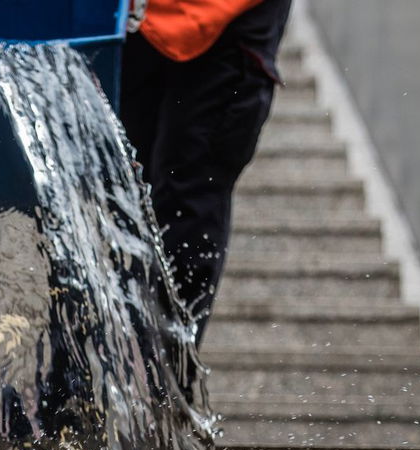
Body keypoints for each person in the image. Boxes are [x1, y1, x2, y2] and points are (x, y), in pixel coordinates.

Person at [120, 0, 294, 341]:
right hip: (140, 25)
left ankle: (165, 361)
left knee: (185, 196)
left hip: (225, 28)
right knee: (119, 191)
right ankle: (114, 357)